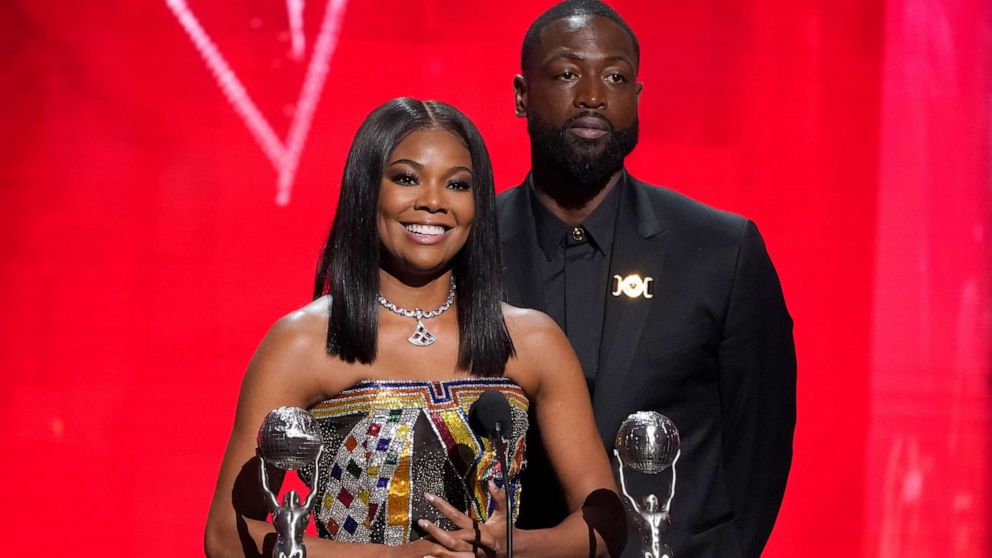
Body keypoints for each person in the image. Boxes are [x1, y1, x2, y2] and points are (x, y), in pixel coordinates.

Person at [205, 97, 625, 558]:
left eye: (457, 185)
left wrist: (514, 546)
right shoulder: (303, 342)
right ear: (367, 191)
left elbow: (605, 522)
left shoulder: (532, 340)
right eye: (407, 178)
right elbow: (227, 535)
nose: (432, 202)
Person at [497, 2, 797, 557]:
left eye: (615, 77)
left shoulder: (722, 251)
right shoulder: (471, 249)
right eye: (567, 74)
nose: (593, 95)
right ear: (521, 95)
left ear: (636, 97)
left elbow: (760, 447)